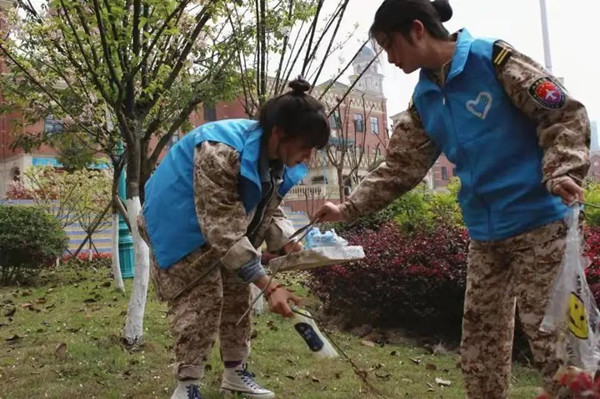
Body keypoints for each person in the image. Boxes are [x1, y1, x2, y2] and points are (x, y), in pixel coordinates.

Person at [315, 1, 591, 398]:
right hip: (486, 236)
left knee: (558, 346)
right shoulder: (424, 98)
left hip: (540, 226)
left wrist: (562, 169)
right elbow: (400, 167)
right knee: (480, 349)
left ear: (416, 30)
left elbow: (562, 113)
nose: (389, 59)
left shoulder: (493, 60)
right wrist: (347, 207)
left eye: (390, 45)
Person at [138, 78, 330, 399]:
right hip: (177, 224)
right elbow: (223, 231)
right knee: (202, 298)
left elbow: (268, 209)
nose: (308, 157)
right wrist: (269, 286)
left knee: (238, 291)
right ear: (279, 134)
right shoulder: (219, 153)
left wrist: (287, 241)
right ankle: (187, 386)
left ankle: (235, 372)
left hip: (219, 224)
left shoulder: (277, 160)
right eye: (305, 147)